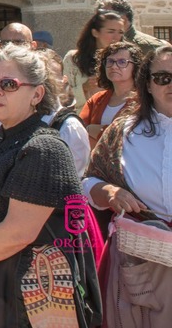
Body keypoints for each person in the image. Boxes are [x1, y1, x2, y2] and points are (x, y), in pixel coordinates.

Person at [0, 44, 100, 327]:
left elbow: (18, 233)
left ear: (37, 94)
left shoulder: (44, 148)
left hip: (26, 292)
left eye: (9, 84)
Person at [84, 44, 172, 326]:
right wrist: (109, 192)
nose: (171, 85)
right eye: (163, 78)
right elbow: (88, 180)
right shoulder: (124, 131)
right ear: (147, 83)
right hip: (139, 255)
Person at [38, 49, 92, 179]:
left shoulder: (70, 127)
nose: (45, 83)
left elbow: (73, 180)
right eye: (40, 76)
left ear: (64, 80)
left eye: (51, 77)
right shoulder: (15, 117)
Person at [79, 41, 140, 149]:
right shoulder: (96, 99)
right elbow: (79, 132)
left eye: (122, 62)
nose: (114, 66)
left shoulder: (142, 101)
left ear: (135, 67)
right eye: (110, 61)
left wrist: (95, 130)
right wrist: (91, 130)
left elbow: (131, 137)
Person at [63, 10, 126, 110]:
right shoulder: (73, 59)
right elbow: (62, 96)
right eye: (111, 31)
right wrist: (84, 88)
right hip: (81, 119)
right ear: (95, 32)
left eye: (120, 32)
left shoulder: (126, 61)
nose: (116, 37)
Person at [94, 0, 168, 56]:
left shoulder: (150, 48)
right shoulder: (98, 44)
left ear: (123, 20)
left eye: (107, 16)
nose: (101, 20)